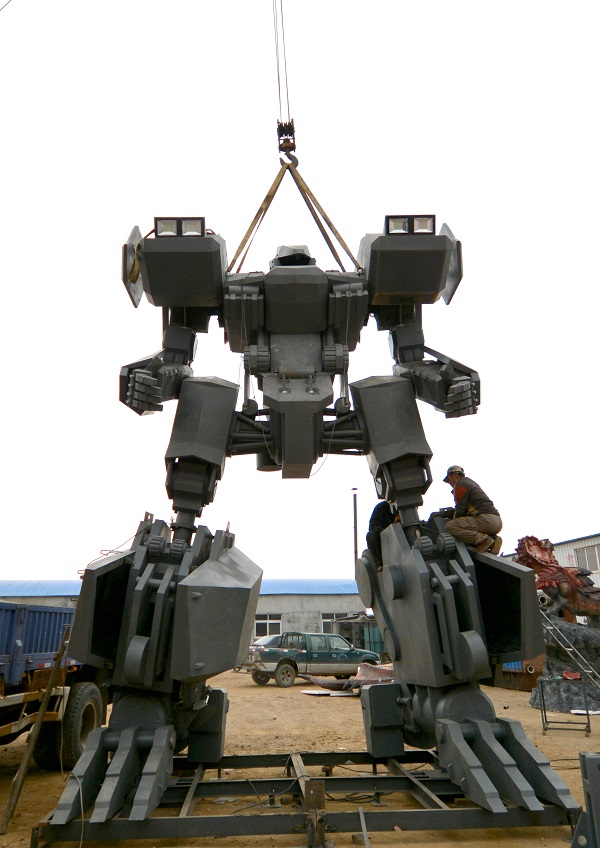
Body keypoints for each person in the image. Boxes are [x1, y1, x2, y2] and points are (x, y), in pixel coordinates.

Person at [443, 465, 503, 555]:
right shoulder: (470, 483)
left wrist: (453, 519)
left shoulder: (460, 485)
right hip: (497, 521)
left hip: (486, 519)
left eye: (449, 480)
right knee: (470, 524)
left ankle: (483, 540)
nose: (450, 484)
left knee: (450, 526)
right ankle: (494, 540)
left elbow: (460, 510)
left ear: (455, 475)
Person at [366, 500, 398, 565]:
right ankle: (380, 564)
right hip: (384, 541)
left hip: (399, 539)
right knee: (370, 536)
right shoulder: (381, 508)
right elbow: (373, 525)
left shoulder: (404, 509)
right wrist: (385, 532)